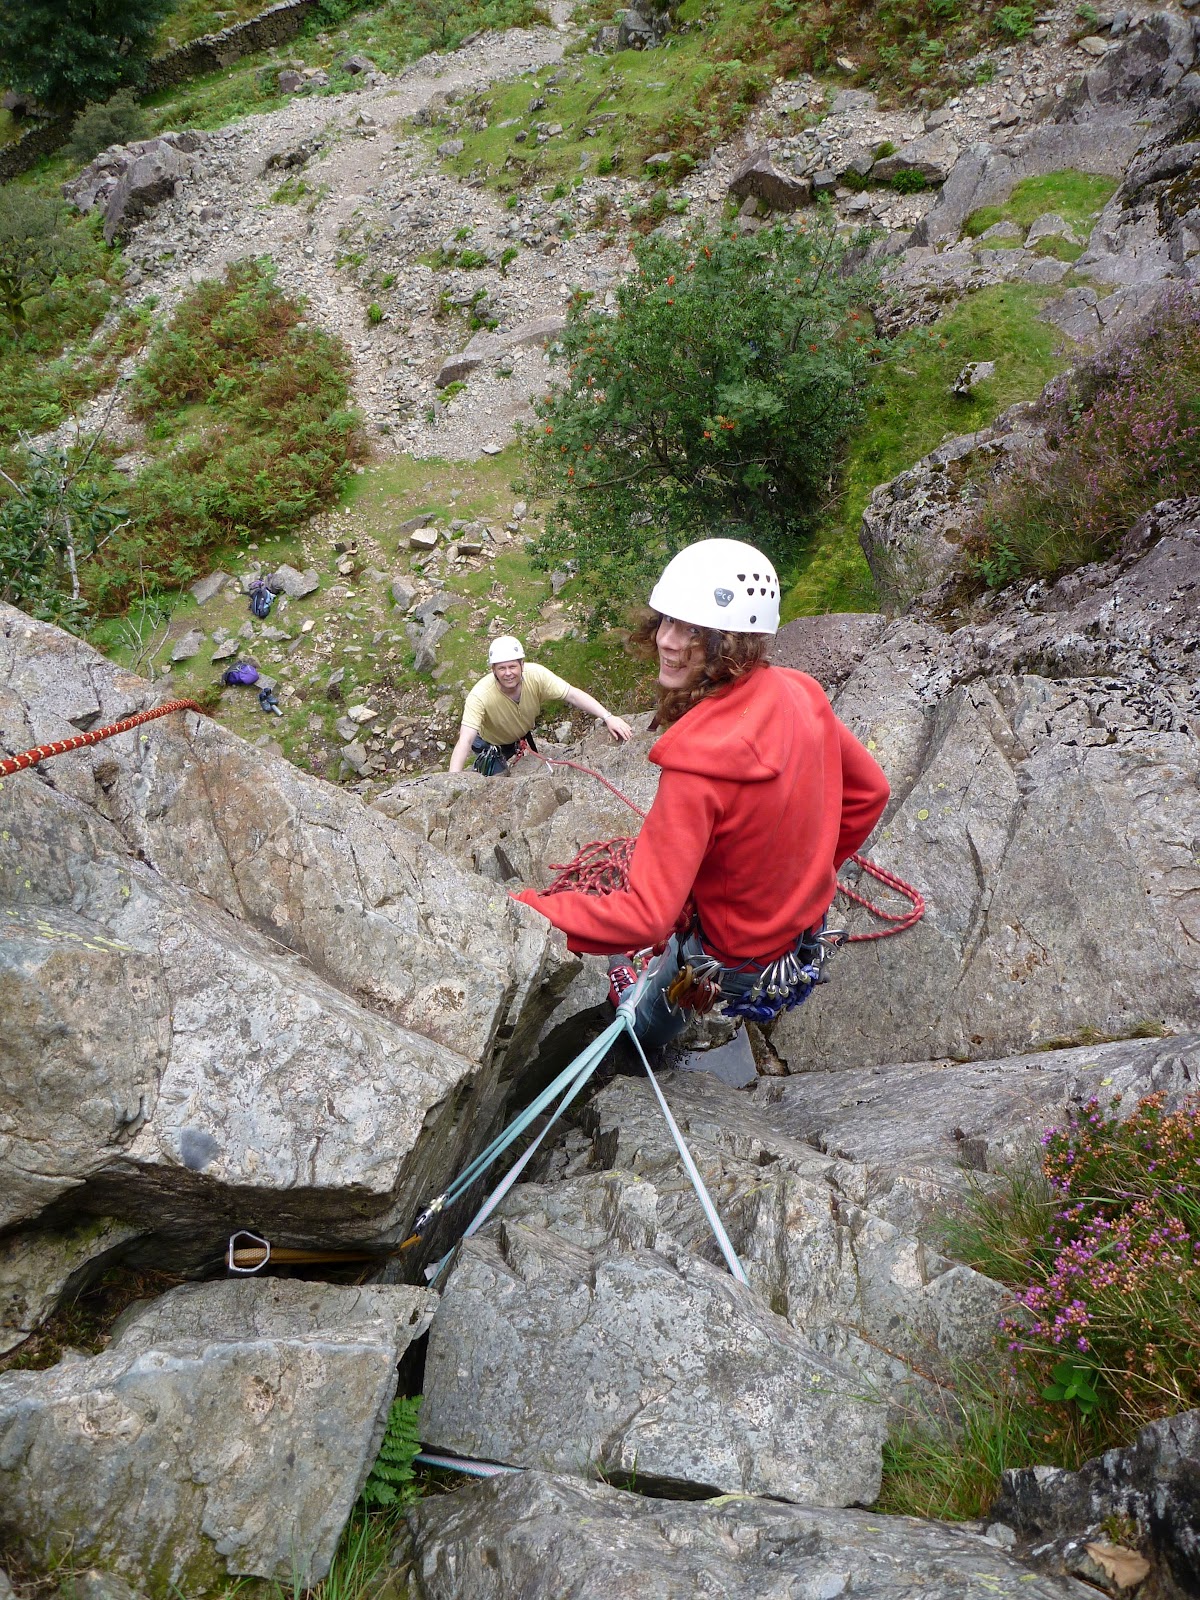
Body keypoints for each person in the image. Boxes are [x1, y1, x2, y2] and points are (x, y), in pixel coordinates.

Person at [511, 538, 890, 1049]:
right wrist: (806, 873)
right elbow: (870, 792)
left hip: (729, 957)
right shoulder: (802, 692)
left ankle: (636, 1040)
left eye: (693, 630)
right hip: (802, 935)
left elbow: (646, 917)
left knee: (655, 1008)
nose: (668, 640)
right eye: (667, 621)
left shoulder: (697, 769)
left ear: (733, 640)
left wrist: (523, 907)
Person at [448, 635, 633, 776]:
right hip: (490, 743)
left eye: (512, 667)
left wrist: (608, 717)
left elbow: (573, 695)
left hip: (518, 736)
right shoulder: (480, 695)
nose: (508, 673)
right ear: (493, 670)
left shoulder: (537, 675)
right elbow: (466, 739)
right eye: (501, 668)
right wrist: (452, 780)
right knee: (496, 782)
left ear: (522, 664)